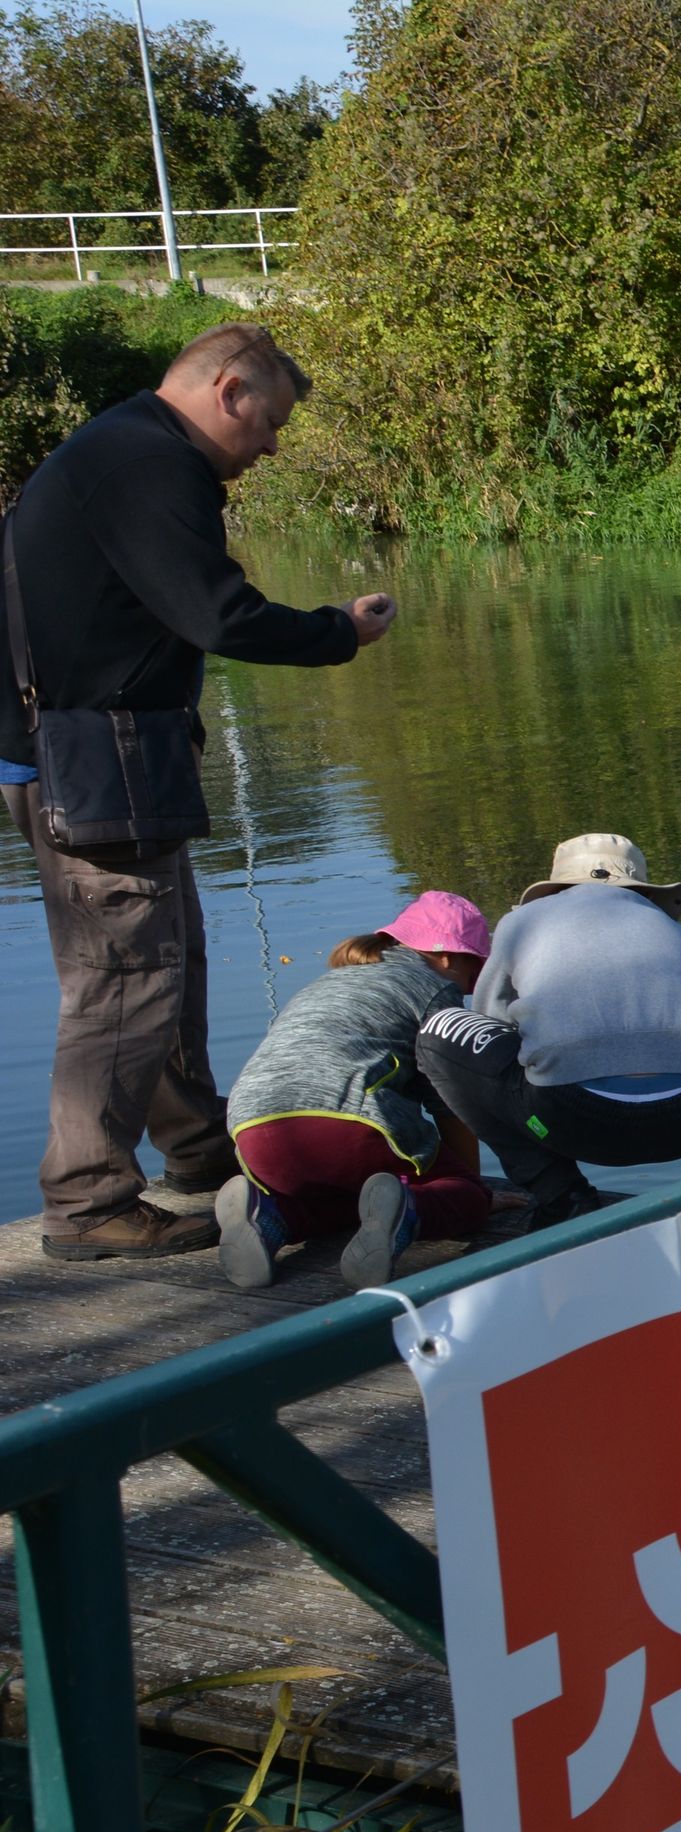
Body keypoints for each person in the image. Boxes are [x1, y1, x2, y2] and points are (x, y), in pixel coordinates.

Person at [2, 322, 397, 1261]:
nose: (272, 445)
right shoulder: (151, 465)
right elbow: (215, 612)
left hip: (93, 754)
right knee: (123, 975)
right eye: (271, 422)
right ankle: (90, 1202)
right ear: (229, 390)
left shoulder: (118, 447)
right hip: (92, 762)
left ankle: (196, 1151)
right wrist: (338, 630)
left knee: (167, 955)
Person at [411, 834, 681, 1228]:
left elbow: (492, 1025)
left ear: (557, 887)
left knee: (439, 1031)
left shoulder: (520, 922)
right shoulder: (663, 922)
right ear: (640, 889)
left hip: (568, 1120)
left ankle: (559, 1192)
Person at [214, 891, 500, 1290]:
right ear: (448, 956)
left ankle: (270, 1218)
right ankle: (410, 1209)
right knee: (458, 1196)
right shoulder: (435, 990)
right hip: (346, 1123)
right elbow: (450, 1101)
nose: (471, 987)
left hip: (253, 1126)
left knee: (352, 1200)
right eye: (474, 969)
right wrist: (473, 1190)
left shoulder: (331, 982)